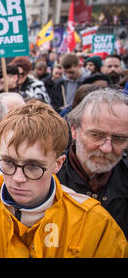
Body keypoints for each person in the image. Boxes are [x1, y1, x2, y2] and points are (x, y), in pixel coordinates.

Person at [0, 100, 127, 257]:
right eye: (8, 162)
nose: (18, 178)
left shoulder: (94, 223)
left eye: (33, 166)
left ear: (58, 164)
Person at [57, 88, 128, 238]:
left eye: (119, 139)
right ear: (74, 130)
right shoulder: (49, 177)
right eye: (96, 135)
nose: (107, 148)